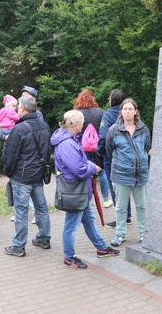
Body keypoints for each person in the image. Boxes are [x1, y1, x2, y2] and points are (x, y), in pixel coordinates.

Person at [51, 110, 119, 269]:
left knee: (89, 220)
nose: (84, 125)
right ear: (75, 126)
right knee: (71, 225)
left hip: (79, 191)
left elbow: (77, 165)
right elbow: (78, 169)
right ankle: (69, 257)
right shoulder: (67, 144)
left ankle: (101, 247)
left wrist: (88, 166)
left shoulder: (69, 139)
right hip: (75, 191)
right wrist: (92, 168)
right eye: (81, 123)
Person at [2, 95, 52, 257]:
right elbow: (48, 149)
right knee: (41, 207)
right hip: (38, 175)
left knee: (21, 211)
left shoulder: (19, 129)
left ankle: (18, 246)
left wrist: (9, 172)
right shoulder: (44, 126)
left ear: (22, 109)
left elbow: (10, 155)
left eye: (18, 108)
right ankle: (44, 238)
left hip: (22, 177)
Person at [105, 98, 151, 247]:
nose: (127, 112)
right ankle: (120, 234)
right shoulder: (114, 130)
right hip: (121, 174)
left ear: (135, 111)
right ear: (121, 111)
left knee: (142, 205)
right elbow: (109, 149)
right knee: (120, 206)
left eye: (130, 109)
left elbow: (146, 147)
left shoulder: (143, 129)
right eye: (125, 109)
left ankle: (144, 234)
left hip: (140, 174)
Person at [73, 89, 112, 208]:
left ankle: (88, 200)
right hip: (97, 147)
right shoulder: (99, 112)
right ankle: (105, 200)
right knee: (102, 172)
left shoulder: (77, 113)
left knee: (86, 173)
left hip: (82, 147)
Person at [98, 89, 129, 228]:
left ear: (112, 100)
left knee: (115, 187)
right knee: (125, 185)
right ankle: (127, 215)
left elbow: (103, 136)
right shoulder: (129, 114)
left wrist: (100, 150)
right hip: (127, 155)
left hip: (112, 157)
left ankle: (120, 217)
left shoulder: (108, 115)